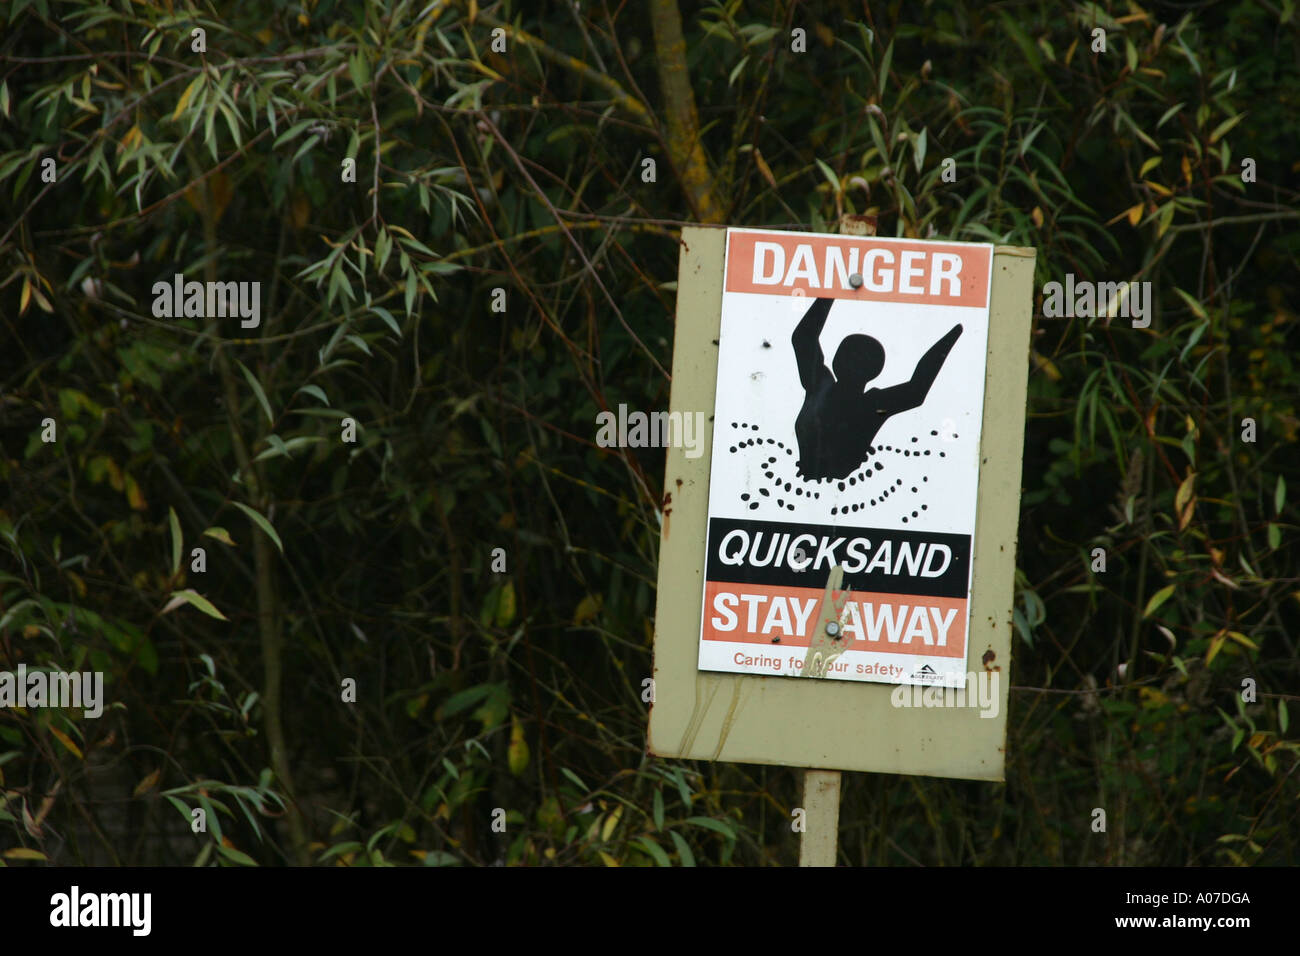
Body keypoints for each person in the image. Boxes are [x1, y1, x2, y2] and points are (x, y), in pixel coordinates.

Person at [791, 296, 962, 481]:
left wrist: (952, 336)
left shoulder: (873, 407)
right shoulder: (821, 385)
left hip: (833, 485)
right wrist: (831, 292)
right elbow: (803, 339)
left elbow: (916, 391)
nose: (851, 363)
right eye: (849, 356)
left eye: (858, 360)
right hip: (811, 481)